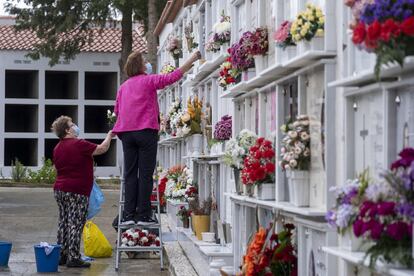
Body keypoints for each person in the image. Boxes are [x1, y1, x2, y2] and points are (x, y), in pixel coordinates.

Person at [112, 50, 202, 225]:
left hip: (127, 134)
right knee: (145, 174)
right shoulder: (148, 80)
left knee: (130, 174)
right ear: (140, 65)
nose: (147, 64)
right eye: (144, 61)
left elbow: (117, 111)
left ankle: (129, 215)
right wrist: (192, 58)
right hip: (146, 131)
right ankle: (144, 215)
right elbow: (172, 77)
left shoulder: (123, 87)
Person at [51, 116, 114, 268]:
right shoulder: (79, 144)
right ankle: (73, 257)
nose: (75, 127)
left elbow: (55, 168)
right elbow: (102, 149)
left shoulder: (57, 147)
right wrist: (110, 135)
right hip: (77, 190)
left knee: (64, 221)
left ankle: (62, 254)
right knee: (76, 222)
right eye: (72, 125)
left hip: (60, 189)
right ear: (67, 130)